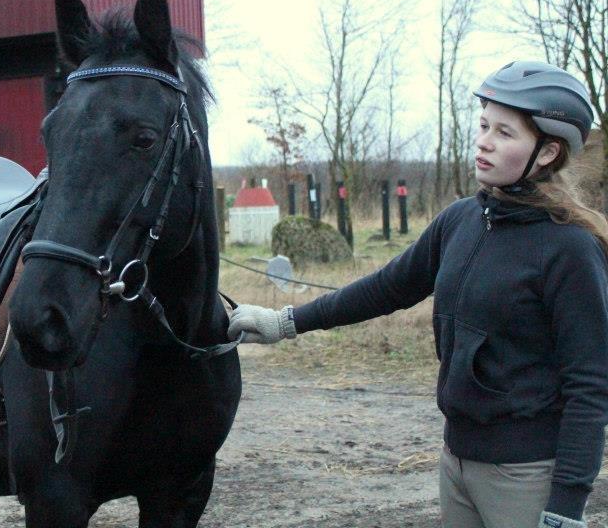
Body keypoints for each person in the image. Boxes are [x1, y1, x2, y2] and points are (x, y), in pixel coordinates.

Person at [228, 61, 608, 528]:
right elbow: (385, 289)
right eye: (484, 125)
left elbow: (589, 385)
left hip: (526, 476)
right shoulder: (461, 220)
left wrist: (566, 508)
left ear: (547, 153)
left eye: (505, 133)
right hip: (456, 463)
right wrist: (284, 321)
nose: (484, 140)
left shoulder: (570, 248)